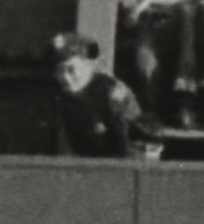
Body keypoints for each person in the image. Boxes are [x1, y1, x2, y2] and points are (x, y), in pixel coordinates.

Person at [51, 32, 141, 160]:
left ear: (88, 66)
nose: (65, 77)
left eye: (71, 69)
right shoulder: (60, 97)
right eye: (59, 71)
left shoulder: (113, 94)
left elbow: (129, 150)